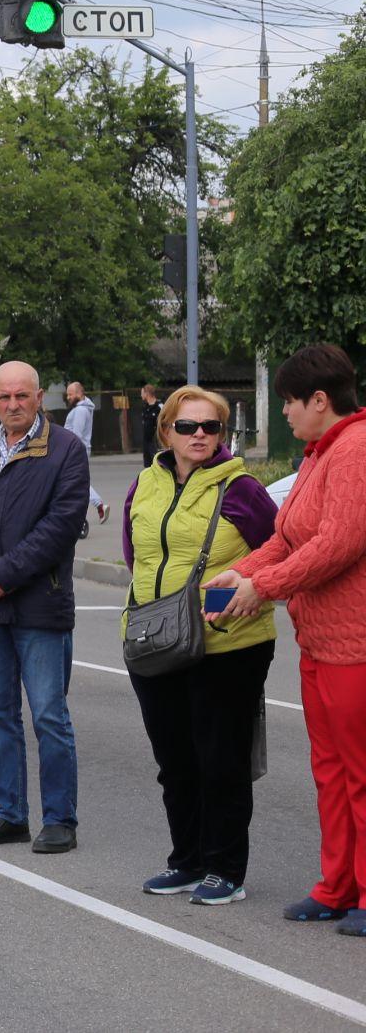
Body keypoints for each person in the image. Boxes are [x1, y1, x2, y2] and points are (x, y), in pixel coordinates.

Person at [206, 344, 366, 929]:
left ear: (320, 400)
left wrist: (263, 586)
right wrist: (242, 572)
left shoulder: (356, 448)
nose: (287, 414)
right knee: (330, 770)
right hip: (322, 641)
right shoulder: (322, 452)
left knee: (360, 772)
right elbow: (290, 536)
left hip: (356, 643)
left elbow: (339, 543)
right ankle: (337, 886)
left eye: (291, 403)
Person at [118, 385, 278, 905]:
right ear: (167, 431)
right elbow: (135, 554)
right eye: (187, 427)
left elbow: (276, 554)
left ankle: (225, 868)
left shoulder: (242, 489)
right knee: (175, 760)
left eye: (211, 427)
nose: (200, 436)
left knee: (221, 759)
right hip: (155, 638)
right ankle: (185, 861)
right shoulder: (144, 483)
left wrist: (230, 598)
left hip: (228, 645)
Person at [0, 361, 90, 853]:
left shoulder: (66, 448)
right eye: (4, 397)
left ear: (40, 395)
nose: (12, 405)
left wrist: (4, 573)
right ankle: (10, 814)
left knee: (49, 715)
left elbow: (63, 523)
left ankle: (59, 819)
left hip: (40, 603)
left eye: (21, 396)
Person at [64, 380, 108, 525]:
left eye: (70, 394)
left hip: (75, 452)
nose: (68, 397)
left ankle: (97, 506)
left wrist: (69, 452)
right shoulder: (81, 409)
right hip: (77, 451)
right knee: (77, 481)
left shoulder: (80, 411)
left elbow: (75, 435)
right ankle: (99, 506)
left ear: (79, 393)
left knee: (76, 482)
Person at [138, 383, 162, 452]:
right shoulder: (145, 407)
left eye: (142, 393)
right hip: (146, 442)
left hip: (156, 442)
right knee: (147, 462)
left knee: (157, 462)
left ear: (147, 393)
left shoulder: (159, 406)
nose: (141, 395)